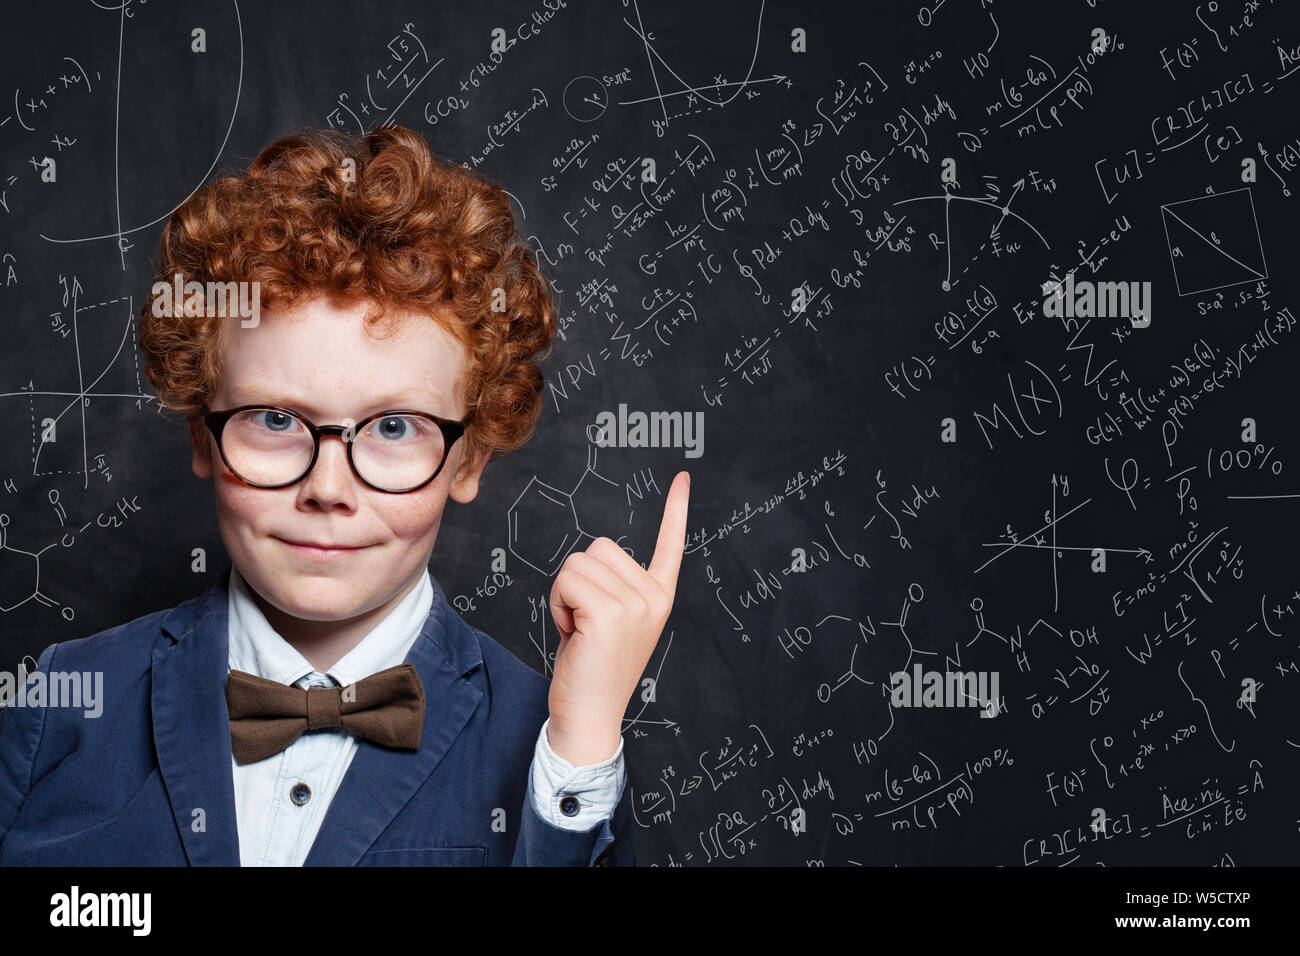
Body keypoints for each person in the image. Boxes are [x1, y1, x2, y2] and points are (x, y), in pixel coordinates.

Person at [0, 125, 689, 866]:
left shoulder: (557, 749)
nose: (329, 488)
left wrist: (581, 747)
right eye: (274, 419)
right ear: (204, 436)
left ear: (468, 461)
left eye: (395, 426)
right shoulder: (60, 704)